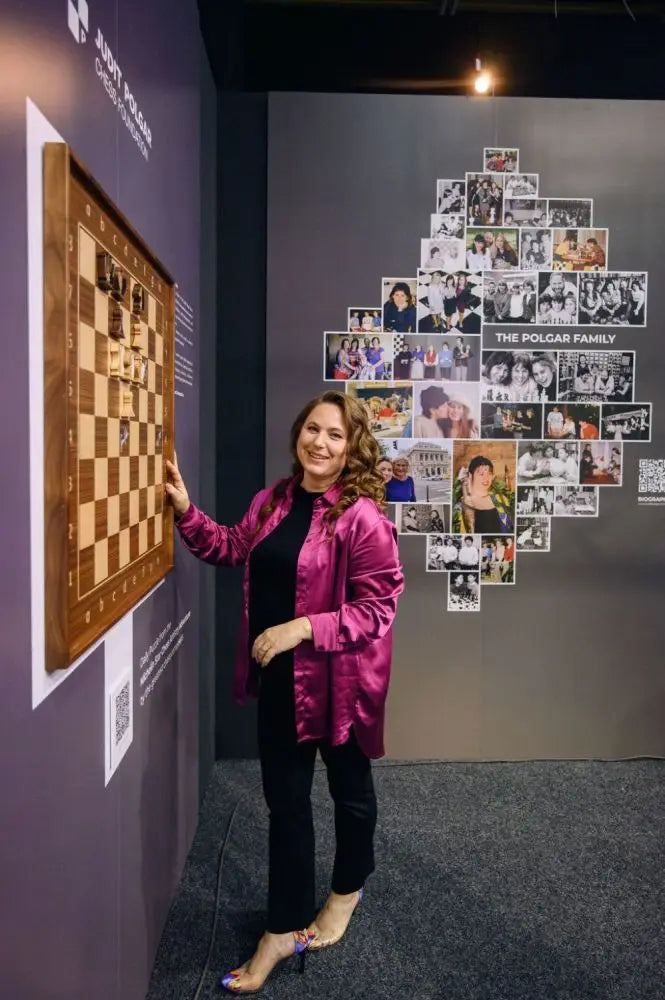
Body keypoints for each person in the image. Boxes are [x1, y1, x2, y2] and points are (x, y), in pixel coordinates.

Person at [166, 391, 404, 994]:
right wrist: (187, 509)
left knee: (349, 793)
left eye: (336, 436)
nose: (319, 443)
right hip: (281, 682)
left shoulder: (362, 516)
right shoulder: (272, 499)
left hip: (339, 681)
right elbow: (229, 547)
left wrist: (304, 627)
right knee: (286, 804)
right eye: (313, 429)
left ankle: (345, 893)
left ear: (351, 450)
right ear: (299, 432)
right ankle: (283, 926)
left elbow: (379, 608)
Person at [455, 455, 513, 533]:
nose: (486, 478)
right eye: (481, 474)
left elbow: (510, 528)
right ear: (471, 476)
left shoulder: (501, 499)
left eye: (489, 474)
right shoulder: (460, 507)